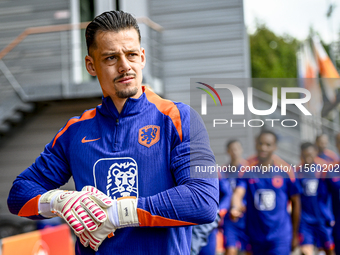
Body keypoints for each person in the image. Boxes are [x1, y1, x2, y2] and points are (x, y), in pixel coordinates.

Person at [7, 11, 219, 254]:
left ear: (142, 57)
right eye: (110, 58)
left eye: (131, 55)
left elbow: (203, 201)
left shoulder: (179, 118)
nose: (124, 66)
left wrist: (119, 213)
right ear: (91, 65)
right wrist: (61, 201)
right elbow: (18, 195)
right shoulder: (75, 131)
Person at [230, 130, 301, 255]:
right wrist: (235, 207)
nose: (263, 148)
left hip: (280, 237)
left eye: (268, 145)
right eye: (260, 143)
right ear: (255, 144)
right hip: (255, 236)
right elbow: (238, 193)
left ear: (274, 146)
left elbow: (296, 203)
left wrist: (295, 235)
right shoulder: (247, 170)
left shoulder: (286, 171)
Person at [297, 142, 335, 255]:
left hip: (323, 219)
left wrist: (330, 215)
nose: (308, 158)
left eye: (310, 154)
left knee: (329, 250)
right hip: (305, 220)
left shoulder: (324, 171)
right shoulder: (298, 173)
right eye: (305, 155)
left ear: (315, 154)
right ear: (301, 155)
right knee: (306, 251)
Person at [221, 140, 251, 255]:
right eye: (232, 149)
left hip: (247, 217)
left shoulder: (248, 170)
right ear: (228, 151)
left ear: (241, 150)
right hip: (230, 218)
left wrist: (242, 206)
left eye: (237, 149)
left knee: (248, 250)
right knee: (230, 250)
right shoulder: (223, 172)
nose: (235, 152)